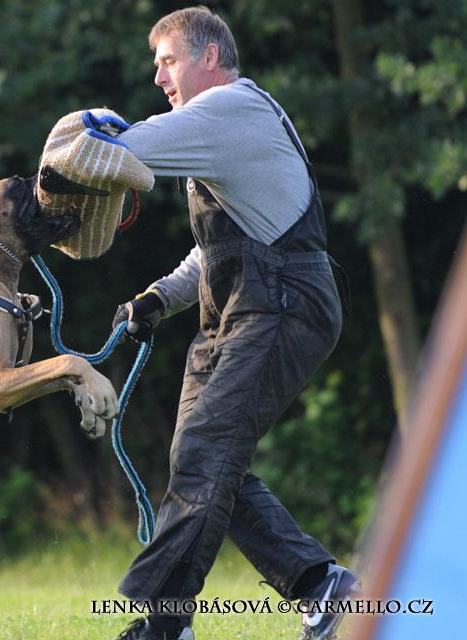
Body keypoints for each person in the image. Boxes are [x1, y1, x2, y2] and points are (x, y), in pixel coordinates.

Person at [102, 7, 357, 640]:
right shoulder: (223, 125)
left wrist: (77, 137)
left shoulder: (230, 111)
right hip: (243, 308)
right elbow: (216, 251)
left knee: (204, 453)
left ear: (210, 57)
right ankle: (326, 589)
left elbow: (117, 151)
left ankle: (163, 625)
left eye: (168, 60)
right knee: (211, 464)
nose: (159, 77)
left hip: (281, 305)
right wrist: (160, 297)